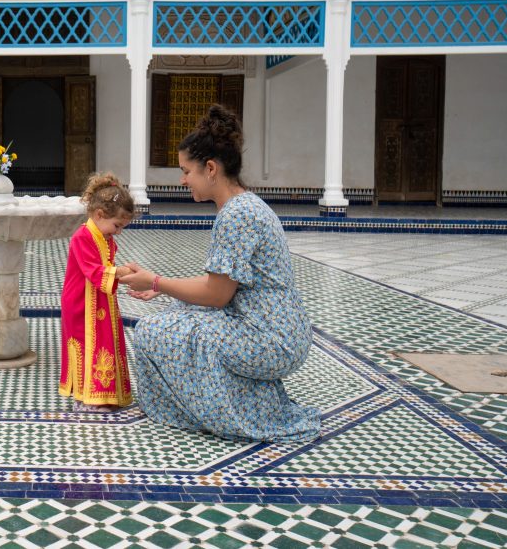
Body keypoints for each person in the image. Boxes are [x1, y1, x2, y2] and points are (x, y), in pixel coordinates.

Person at [119, 105, 320, 442]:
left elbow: (217, 295)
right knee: (180, 314)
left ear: (210, 169)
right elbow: (219, 287)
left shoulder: (237, 215)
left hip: (271, 338)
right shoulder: (245, 205)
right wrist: (162, 287)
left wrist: (156, 281)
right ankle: (238, 404)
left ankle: (211, 411)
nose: (183, 180)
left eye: (186, 171)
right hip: (273, 328)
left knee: (153, 331)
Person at [59, 172, 136, 412]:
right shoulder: (83, 237)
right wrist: (122, 272)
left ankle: (104, 394)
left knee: (105, 342)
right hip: (81, 303)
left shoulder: (104, 237)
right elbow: (95, 271)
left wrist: (124, 274)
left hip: (100, 300)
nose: (119, 232)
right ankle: (86, 397)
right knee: (86, 345)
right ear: (100, 215)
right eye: (117, 225)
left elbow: (106, 271)